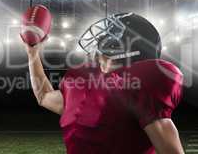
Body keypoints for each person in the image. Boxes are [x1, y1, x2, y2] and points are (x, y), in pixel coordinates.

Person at [23, 13, 185, 154]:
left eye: (111, 40)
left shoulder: (141, 85)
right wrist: (33, 54)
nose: (100, 42)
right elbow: (43, 96)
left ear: (132, 50)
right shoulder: (85, 83)